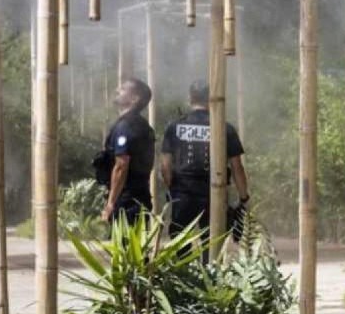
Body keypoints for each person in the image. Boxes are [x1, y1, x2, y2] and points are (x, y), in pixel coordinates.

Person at [160, 80, 250, 249]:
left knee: (179, 243)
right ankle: (209, 274)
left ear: (190, 98)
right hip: (214, 192)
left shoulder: (174, 126)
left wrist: (172, 187)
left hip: (183, 192)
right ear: (210, 99)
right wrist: (244, 197)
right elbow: (237, 166)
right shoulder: (224, 127)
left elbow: (165, 165)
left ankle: (182, 275)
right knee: (212, 243)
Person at [97, 78, 156, 224]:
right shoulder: (142, 125)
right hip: (140, 195)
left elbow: (121, 165)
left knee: (123, 243)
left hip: (126, 199)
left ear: (134, 99)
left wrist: (111, 203)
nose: (117, 90)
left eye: (123, 89)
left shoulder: (126, 126)